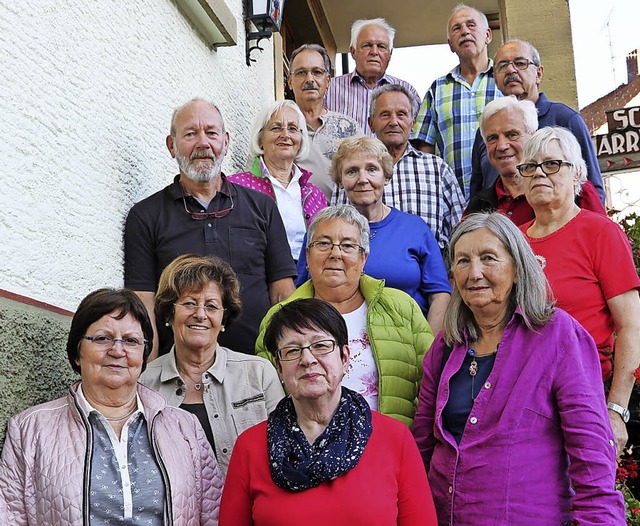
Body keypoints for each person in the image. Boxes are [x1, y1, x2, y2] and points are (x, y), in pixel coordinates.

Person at [413, 212, 625, 524]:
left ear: (517, 267)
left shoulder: (558, 336)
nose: (474, 273)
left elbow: (591, 456)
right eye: (462, 261)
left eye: (488, 258)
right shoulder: (446, 345)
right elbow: (423, 446)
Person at [0, 288, 223, 524]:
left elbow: (214, 516)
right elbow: (10, 517)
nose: (118, 351)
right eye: (103, 338)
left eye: (131, 341)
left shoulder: (185, 427)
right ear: (78, 352)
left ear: (144, 353)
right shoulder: (29, 429)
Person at [219, 298, 438, 526]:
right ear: (279, 367)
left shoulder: (395, 439)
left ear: (344, 358)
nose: (307, 359)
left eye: (321, 346)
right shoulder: (250, 447)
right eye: (293, 350)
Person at [124, 98, 296, 358]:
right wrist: (148, 380)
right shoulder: (145, 216)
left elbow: (282, 293)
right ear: (172, 146)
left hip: (257, 368)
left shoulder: (263, 207)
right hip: (179, 374)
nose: (203, 143)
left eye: (211, 133)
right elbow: (143, 306)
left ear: (225, 143)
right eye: (190, 134)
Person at [518, 126, 640, 454]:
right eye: (530, 167)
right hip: (519, 395)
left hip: (584, 393)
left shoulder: (600, 233)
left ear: (577, 176)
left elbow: (631, 326)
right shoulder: (511, 240)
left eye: (553, 164)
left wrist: (616, 410)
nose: (539, 173)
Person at [257, 205, 433, 426]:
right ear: (308, 255)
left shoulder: (401, 308)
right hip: (304, 452)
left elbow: (430, 384)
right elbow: (268, 398)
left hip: (388, 450)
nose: (335, 253)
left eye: (348, 245)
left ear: (364, 259)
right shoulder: (279, 318)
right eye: (323, 244)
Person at [139, 254, 284, 476]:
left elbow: (283, 451)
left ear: (223, 319)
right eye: (189, 303)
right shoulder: (143, 383)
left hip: (247, 506)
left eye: (211, 306)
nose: (200, 314)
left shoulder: (259, 373)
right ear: (170, 313)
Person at [297, 136, 451, 333]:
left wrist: (429, 351)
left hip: (408, 342)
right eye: (352, 171)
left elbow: (440, 294)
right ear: (340, 181)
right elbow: (302, 289)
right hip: (336, 343)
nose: (363, 179)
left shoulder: (415, 228)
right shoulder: (322, 229)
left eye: (372, 169)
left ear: (386, 177)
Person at [470, 39, 606, 203]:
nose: (511, 70)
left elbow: (592, 188)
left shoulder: (565, 119)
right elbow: (478, 189)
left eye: (520, 63)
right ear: (495, 79)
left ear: (539, 73)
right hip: (500, 224)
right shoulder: (486, 129)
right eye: (503, 65)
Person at [332, 84, 465, 251]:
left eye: (401, 114)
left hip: (427, 273)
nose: (393, 122)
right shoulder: (351, 172)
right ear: (371, 123)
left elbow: (460, 232)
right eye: (385, 115)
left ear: (413, 123)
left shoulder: (438, 170)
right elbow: (336, 229)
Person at [465, 97, 606, 222]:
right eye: (492, 138)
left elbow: (601, 239)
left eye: (512, 134)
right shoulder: (478, 206)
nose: (502, 146)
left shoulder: (576, 191)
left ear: (533, 136)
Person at [413, 4, 501, 197]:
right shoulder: (437, 89)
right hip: (454, 200)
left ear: (488, 35)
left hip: (503, 197)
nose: (465, 32)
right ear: (450, 44)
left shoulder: (505, 81)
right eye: (457, 28)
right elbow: (424, 149)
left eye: (471, 25)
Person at [228, 100, 326, 261]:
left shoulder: (315, 194)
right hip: (259, 278)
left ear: (301, 139)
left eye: (293, 128)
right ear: (260, 139)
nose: (285, 135)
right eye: (276, 127)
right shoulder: (235, 187)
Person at [287, 44, 361, 199]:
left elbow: (365, 171)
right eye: (301, 73)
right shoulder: (278, 125)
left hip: (340, 217)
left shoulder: (348, 127)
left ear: (327, 81)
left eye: (317, 72)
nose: (309, 79)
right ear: (289, 81)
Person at [325, 18, 420, 136]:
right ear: (353, 51)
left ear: (390, 54)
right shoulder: (328, 89)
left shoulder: (407, 91)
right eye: (367, 45)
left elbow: (417, 137)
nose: (374, 52)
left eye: (381, 46)